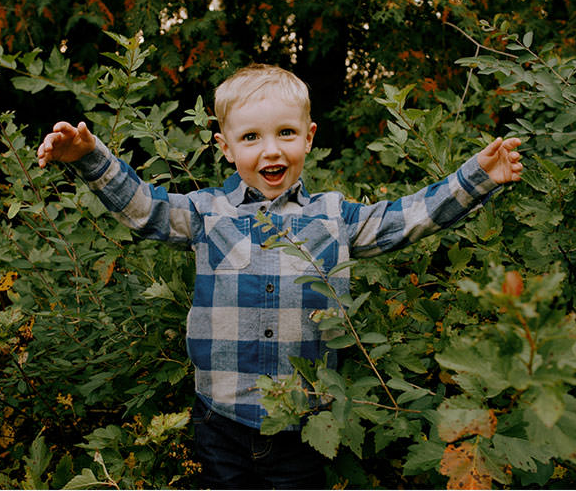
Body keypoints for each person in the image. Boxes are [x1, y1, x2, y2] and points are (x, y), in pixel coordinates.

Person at [37, 64, 523, 489]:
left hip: (304, 423)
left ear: (308, 137)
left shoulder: (336, 217)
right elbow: (145, 208)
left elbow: (407, 218)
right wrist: (89, 158)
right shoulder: (207, 214)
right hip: (221, 419)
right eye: (251, 138)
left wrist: (476, 176)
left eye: (285, 133)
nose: (271, 151)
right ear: (225, 148)